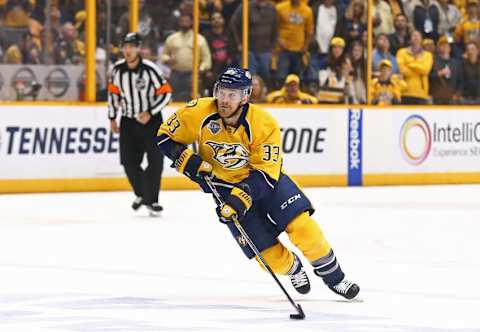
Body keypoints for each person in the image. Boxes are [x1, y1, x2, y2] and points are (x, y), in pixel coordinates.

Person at [156, 67, 360, 299]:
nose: (224, 100)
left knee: (304, 229)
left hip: (266, 183)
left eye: (232, 95)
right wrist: (185, 160)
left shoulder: (263, 123)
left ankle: (336, 278)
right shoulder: (199, 111)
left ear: (245, 96)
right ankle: (293, 267)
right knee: (267, 258)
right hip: (223, 188)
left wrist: (242, 195)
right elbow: (164, 137)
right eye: (222, 92)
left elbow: (265, 171)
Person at [108, 32, 172, 216]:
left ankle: (151, 200)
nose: (128, 50)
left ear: (138, 48)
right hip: (128, 121)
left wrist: (150, 112)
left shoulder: (150, 69)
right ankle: (142, 194)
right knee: (129, 162)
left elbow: (166, 93)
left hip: (151, 121)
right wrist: (112, 117)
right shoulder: (117, 70)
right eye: (125, 46)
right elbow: (113, 95)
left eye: (132, 46)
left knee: (155, 161)